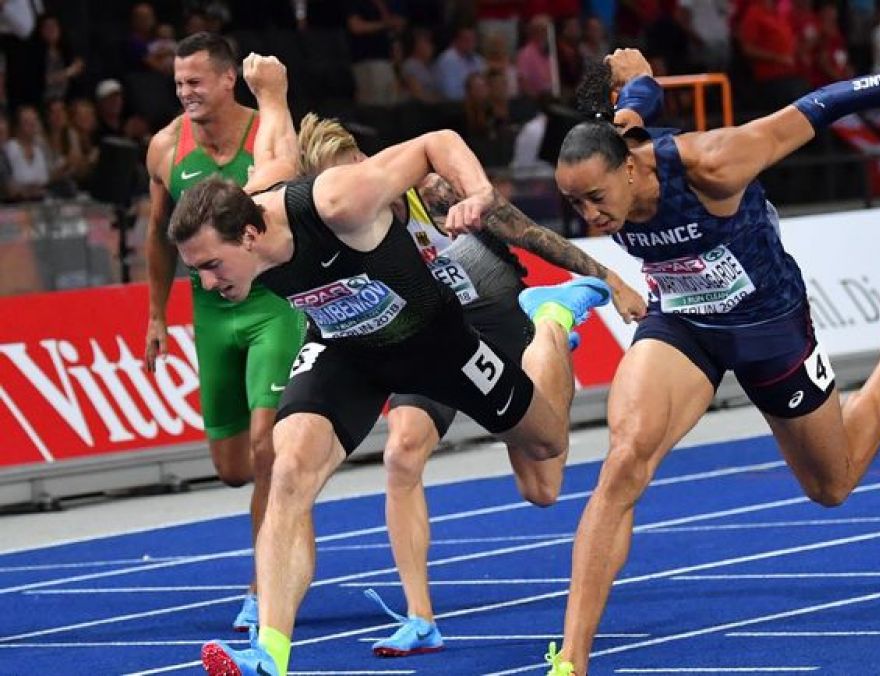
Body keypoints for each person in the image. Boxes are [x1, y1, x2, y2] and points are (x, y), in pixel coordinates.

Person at [541, 27, 880, 675]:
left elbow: (828, 101)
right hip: (684, 325)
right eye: (574, 204)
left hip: (770, 326)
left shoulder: (715, 162)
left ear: (630, 168)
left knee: (832, 484)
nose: (591, 218)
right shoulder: (616, 138)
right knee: (623, 463)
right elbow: (638, 102)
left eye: (596, 200)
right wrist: (640, 76)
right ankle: (572, 660)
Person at [182, 56, 614, 676]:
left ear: (248, 237)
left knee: (546, 449)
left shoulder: (339, 200)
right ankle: (269, 653)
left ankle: (551, 319)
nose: (207, 283)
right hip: (344, 349)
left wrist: (479, 193)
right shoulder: (250, 202)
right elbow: (274, 140)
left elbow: (437, 141)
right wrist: (271, 91)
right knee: (289, 468)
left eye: (211, 266)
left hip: (432, 340)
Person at [293, 112, 647, 657]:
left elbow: (526, 231)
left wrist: (609, 277)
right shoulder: (339, 230)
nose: (350, 194)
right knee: (402, 453)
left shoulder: (430, 191)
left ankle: (552, 319)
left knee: (543, 489)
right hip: (434, 334)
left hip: (499, 318)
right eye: (333, 189)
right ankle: (421, 618)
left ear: (365, 163)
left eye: (353, 174)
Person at [142, 32, 306, 633]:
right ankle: (286, 504)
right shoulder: (166, 149)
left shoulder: (266, 130)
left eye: (195, 81)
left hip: (273, 303)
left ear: (228, 78)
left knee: (268, 449)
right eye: (178, 83)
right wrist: (156, 315)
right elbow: (158, 235)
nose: (185, 92)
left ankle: (266, 583)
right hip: (211, 312)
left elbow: (298, 195)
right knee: (234, 467)